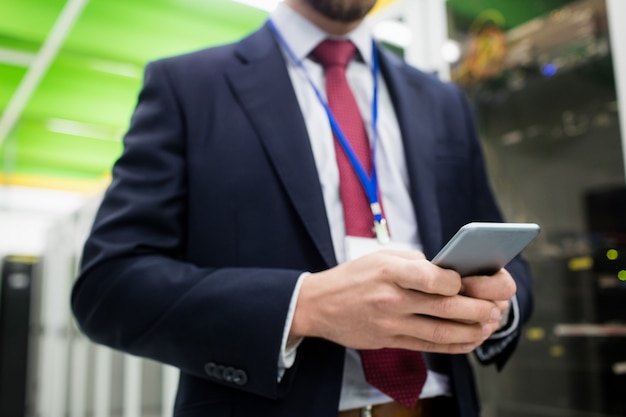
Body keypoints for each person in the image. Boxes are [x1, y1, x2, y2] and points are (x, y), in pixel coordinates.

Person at [71, 0, 533, 416]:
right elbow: (109, 286)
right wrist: (304, 306)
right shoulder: (188, 87)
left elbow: (509, 262)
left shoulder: (443, 100)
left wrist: (496, 306)